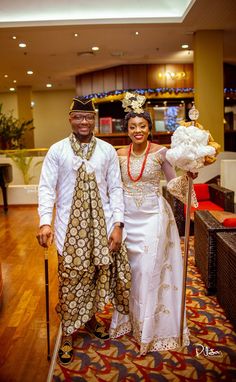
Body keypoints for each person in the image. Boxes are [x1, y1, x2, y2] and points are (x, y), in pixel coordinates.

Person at [37, 96, 131, 365]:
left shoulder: (107, 150)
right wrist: (45, 221)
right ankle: (67, 332)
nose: (83, 122)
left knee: (94, 275)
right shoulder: (58, 151)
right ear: (70, 119)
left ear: (94, 120)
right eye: (78, 116)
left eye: (88, 117)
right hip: (68, 228)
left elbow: (115, 189)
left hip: (101, 227)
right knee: (70, 279)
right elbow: (46, 188)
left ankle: (89, 318)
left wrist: (118, 225)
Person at [110, 92, 192, 355]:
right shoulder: (118, 154)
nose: (137, 131)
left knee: (148, 269)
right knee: (131, 273)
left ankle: (152, 328)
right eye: (133, 126)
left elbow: (172, 182)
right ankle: (132, 321)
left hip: (154, 217)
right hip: (128, 222)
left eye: (142, 126)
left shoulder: (161, 153)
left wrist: (189, 178)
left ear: (149, 128)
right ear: (128, 129)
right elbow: (113, 187)